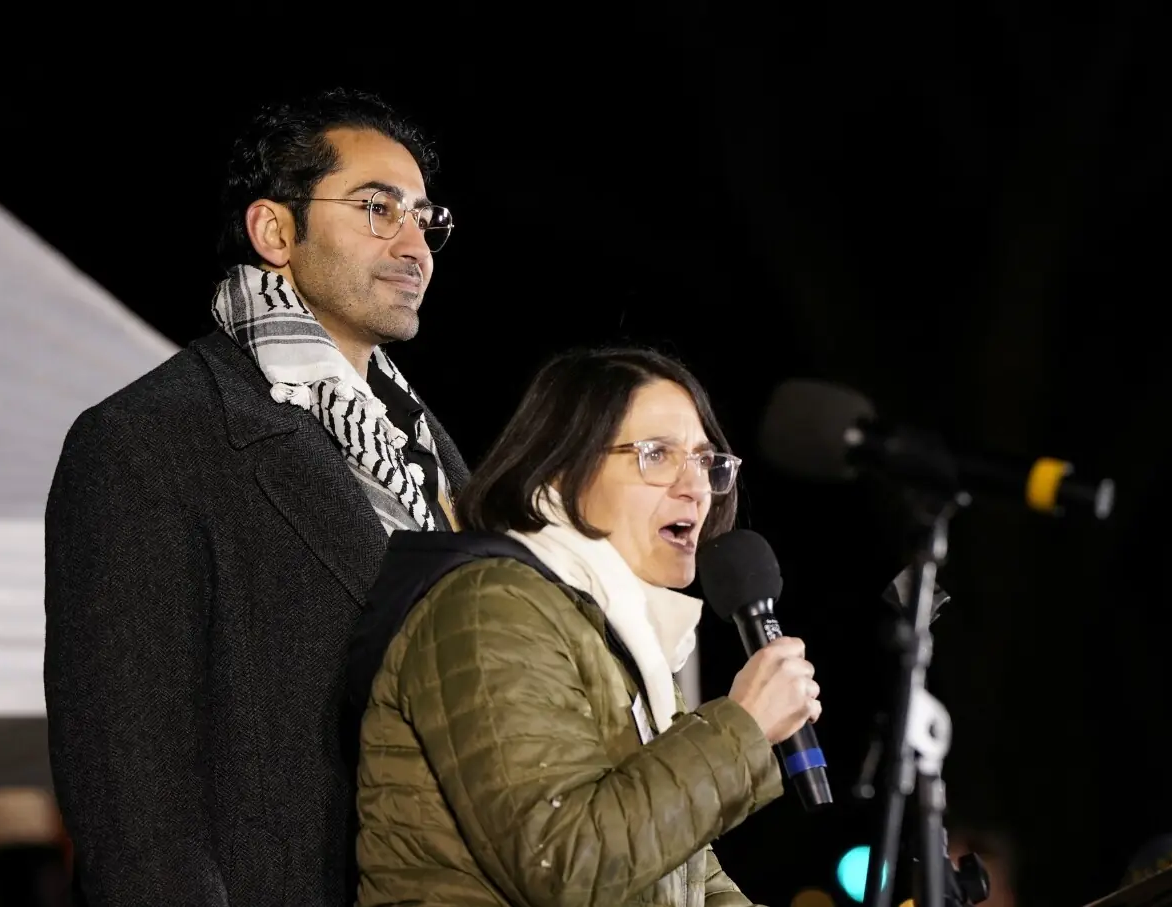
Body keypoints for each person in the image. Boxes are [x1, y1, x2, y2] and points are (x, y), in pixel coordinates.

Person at [43, 88, 466, 907]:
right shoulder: (149, 439)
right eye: (377, 208)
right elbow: (134, 805)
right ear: (275, 231)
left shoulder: (429, 451)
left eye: (424, 219)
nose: (415, 245)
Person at [345, 347, 822, 906]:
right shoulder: (490, 608)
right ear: (562, 468)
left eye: (704, 461)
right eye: (657, 455)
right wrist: (743, 727)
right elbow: (563, 863)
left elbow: (687, 886)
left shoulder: (623, 645)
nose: (695, 487)